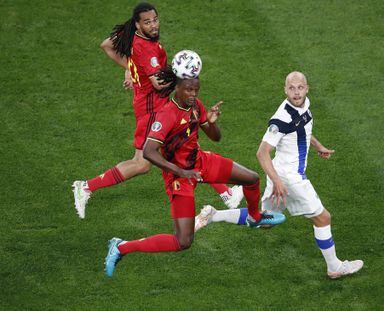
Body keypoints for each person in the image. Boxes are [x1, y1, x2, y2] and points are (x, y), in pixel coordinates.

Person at [71, 2, 243, 219]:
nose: (153, 25)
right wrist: (180, 74)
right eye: (147, 22)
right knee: (142, 163)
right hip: (154, 110)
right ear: (138, 24)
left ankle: (227, 194)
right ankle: (85, 187)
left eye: (155, 20)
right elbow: (158, 84)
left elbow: (106, 44)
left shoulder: (132, 33)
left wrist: (132, 70)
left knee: (185, 146)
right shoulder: (148, 48)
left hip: (149, 104)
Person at [104, 72, 282, 277]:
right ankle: (121, 247)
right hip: (179, 178)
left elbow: (216, 138)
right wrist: (181, 171)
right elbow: (148, 151)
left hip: (200, 162)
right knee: (183, 241)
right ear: (177, 88)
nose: (193, 94)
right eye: (189, 89)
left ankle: (255, 217)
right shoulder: (166, 115)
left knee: (252, 179)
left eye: (196, 89)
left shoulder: (196, 105)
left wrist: (212, 122)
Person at [255, 71, 363, 279]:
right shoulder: (281, 118)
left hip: (281, 171)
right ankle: (334, 267)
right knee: (323, 218)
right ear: (285, 90)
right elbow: (262, 152)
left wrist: (318, 146)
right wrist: (277, 181)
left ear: (307, 88)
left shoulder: (304, 105)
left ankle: (213, 215)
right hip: (289, 177)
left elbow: (303, 129)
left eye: (300, 87)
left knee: (266, 220)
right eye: (292, 88)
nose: (296, 93)